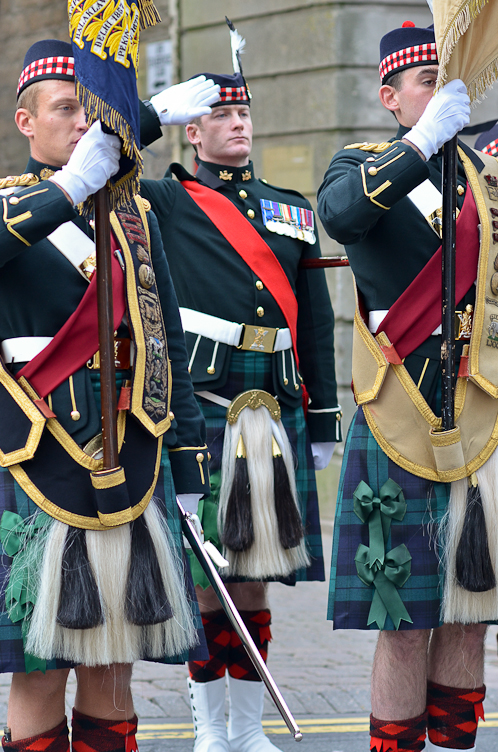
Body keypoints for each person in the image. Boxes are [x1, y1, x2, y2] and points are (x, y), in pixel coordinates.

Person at [0, 39, 217, 752]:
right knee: (40, 670)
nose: (80, 125)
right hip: (39, 458)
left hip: (133, 455)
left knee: (114, 662)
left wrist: (189, 474)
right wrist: (67, 189)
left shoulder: (131, 218)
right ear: (26, 122)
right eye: (65, 110)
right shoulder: (13, 205)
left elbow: (165, 349)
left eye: (90, 112)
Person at [138, 26, 342, 752]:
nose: (239, 123)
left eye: (245, 112)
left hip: (274, 409)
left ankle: (247, 727)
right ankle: (207, 724)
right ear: (193, 131)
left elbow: (314, 323)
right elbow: (104, 176)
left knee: (253, 581)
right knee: (205, 583)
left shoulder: (291, 209)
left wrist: (322, 420)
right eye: (223, 114)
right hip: (209, 408)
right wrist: (146, 114)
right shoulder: (162, 198)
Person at [317, 20, 498, 752]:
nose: (441, 91)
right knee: (404, 619)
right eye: (426, 81)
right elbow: (341, 216)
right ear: (391, 97)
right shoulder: (358, 163)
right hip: (402, 408)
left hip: (480, 407)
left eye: (447, 79)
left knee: (469, 613)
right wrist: (422, 145)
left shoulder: (483, 182)